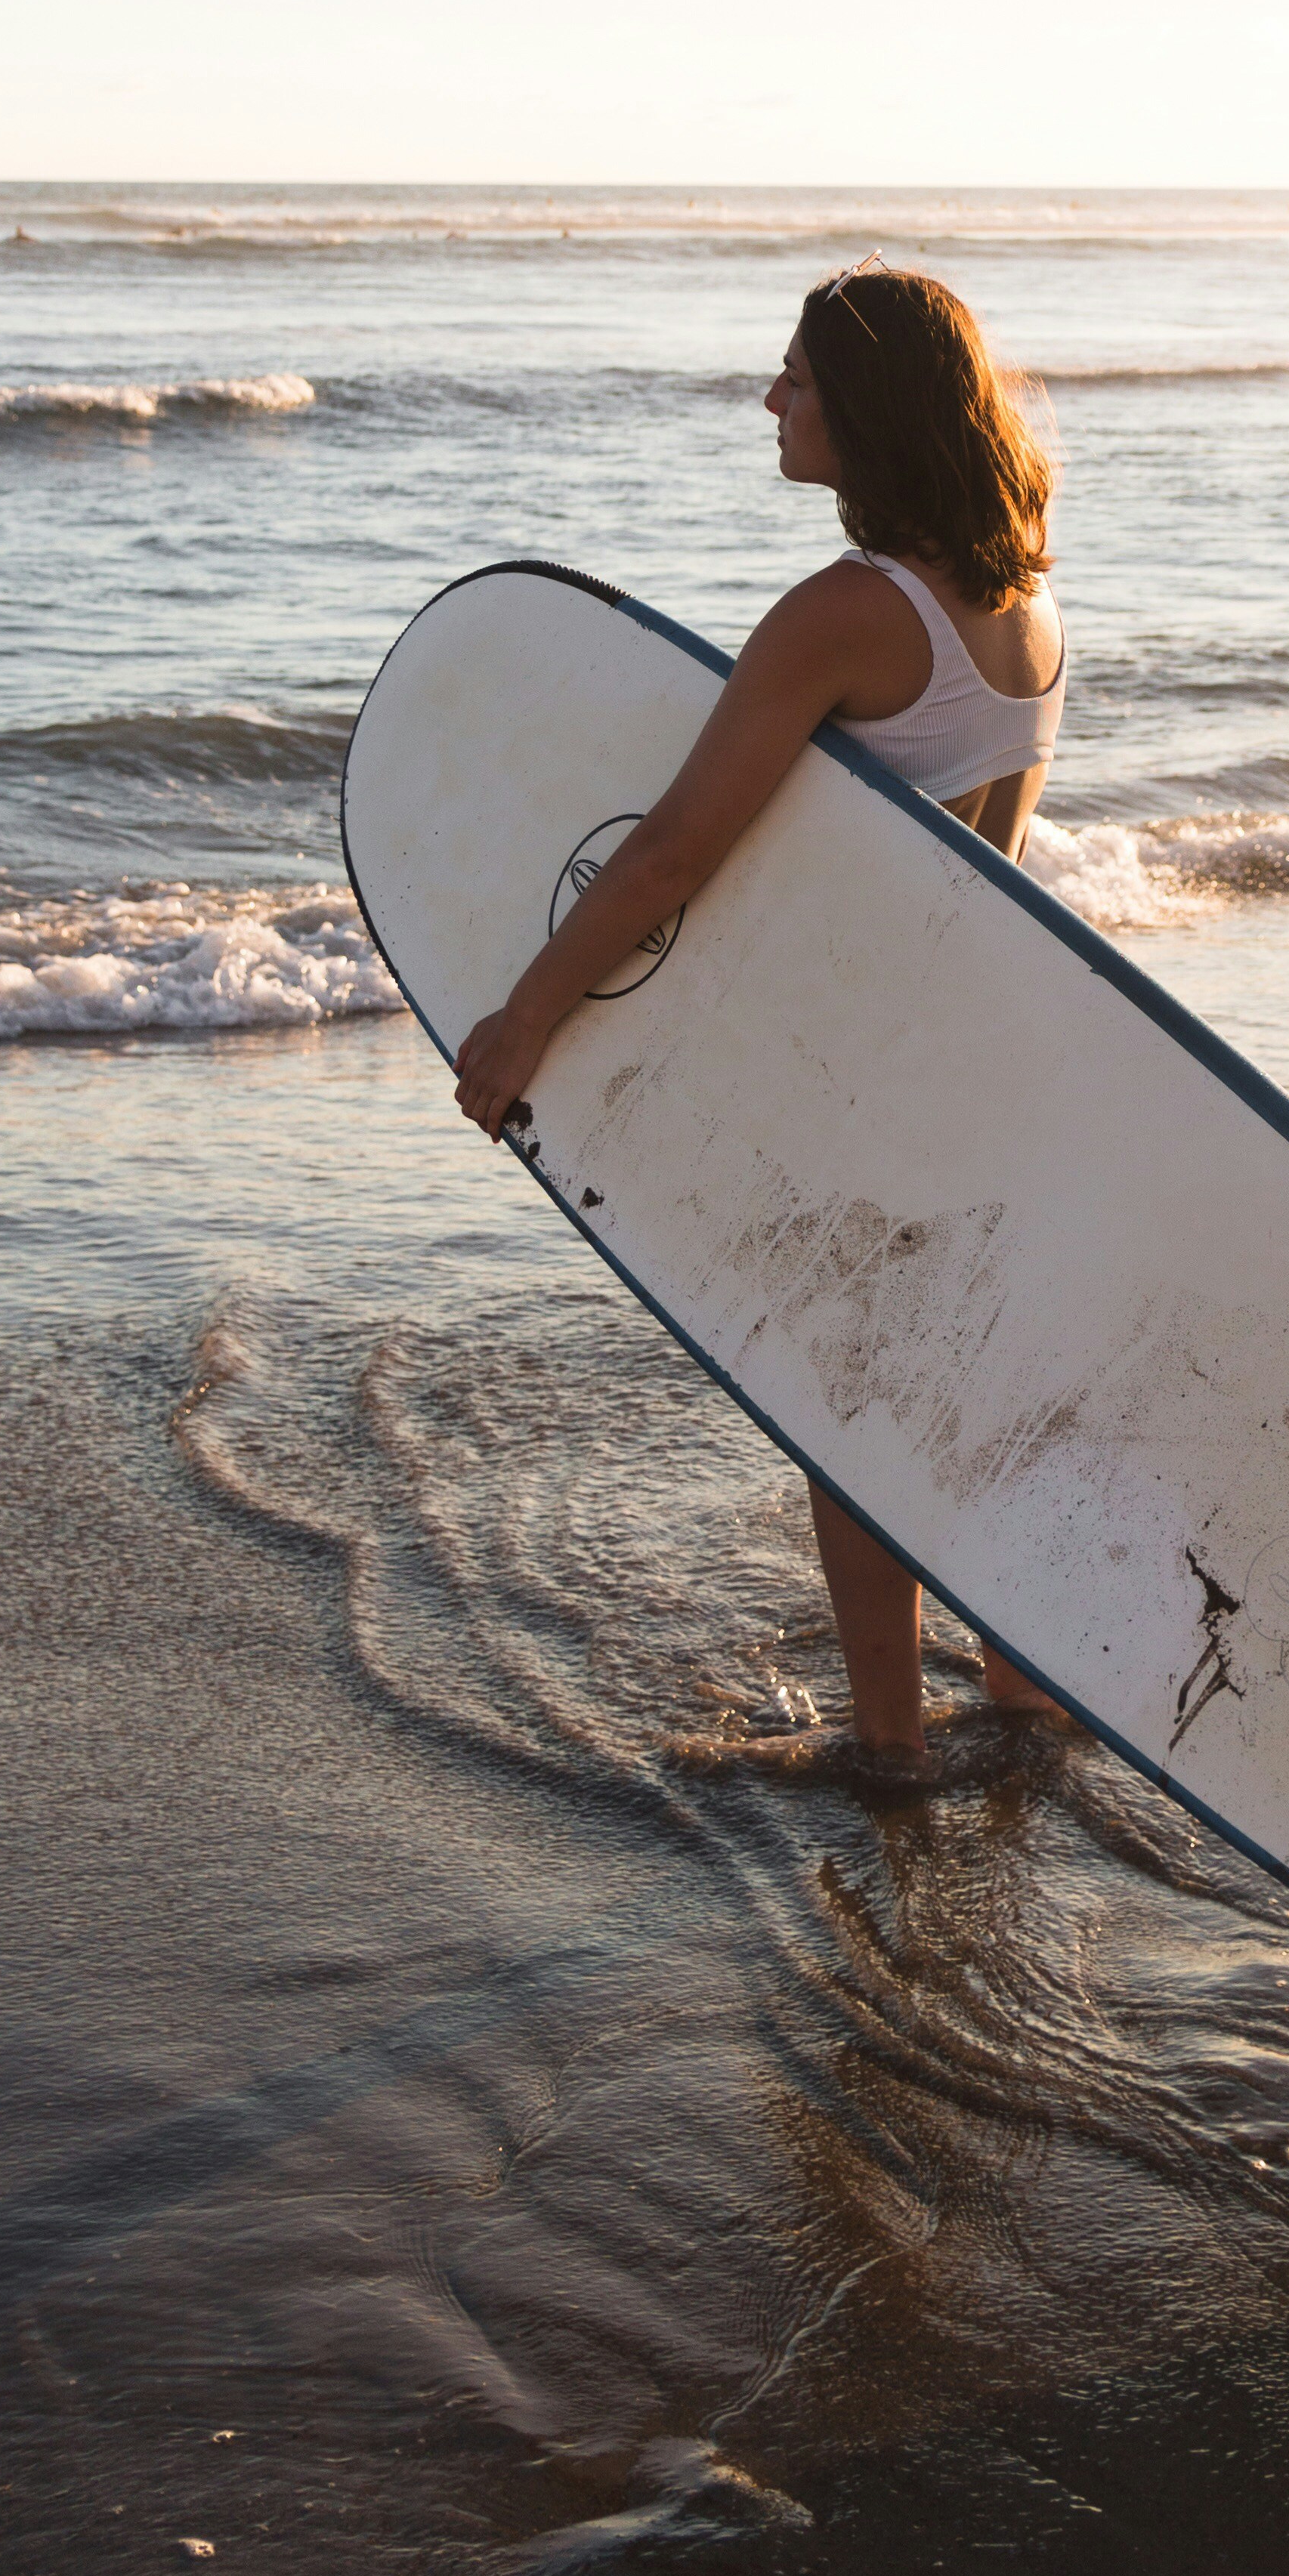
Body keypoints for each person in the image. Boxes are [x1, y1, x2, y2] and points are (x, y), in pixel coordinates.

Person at [452, 261, 1070, 1772]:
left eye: (793, 375)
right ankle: (1024, 1693)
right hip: (976, 1058)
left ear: (859, 407)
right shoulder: (1022, 606)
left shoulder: (848, 614)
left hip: (856, 1073)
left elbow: (673, 848)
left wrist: (523, 1018)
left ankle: (886, 1746)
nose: (770, 396)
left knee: (849, 1405)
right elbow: (974, 871)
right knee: (951, 1393)